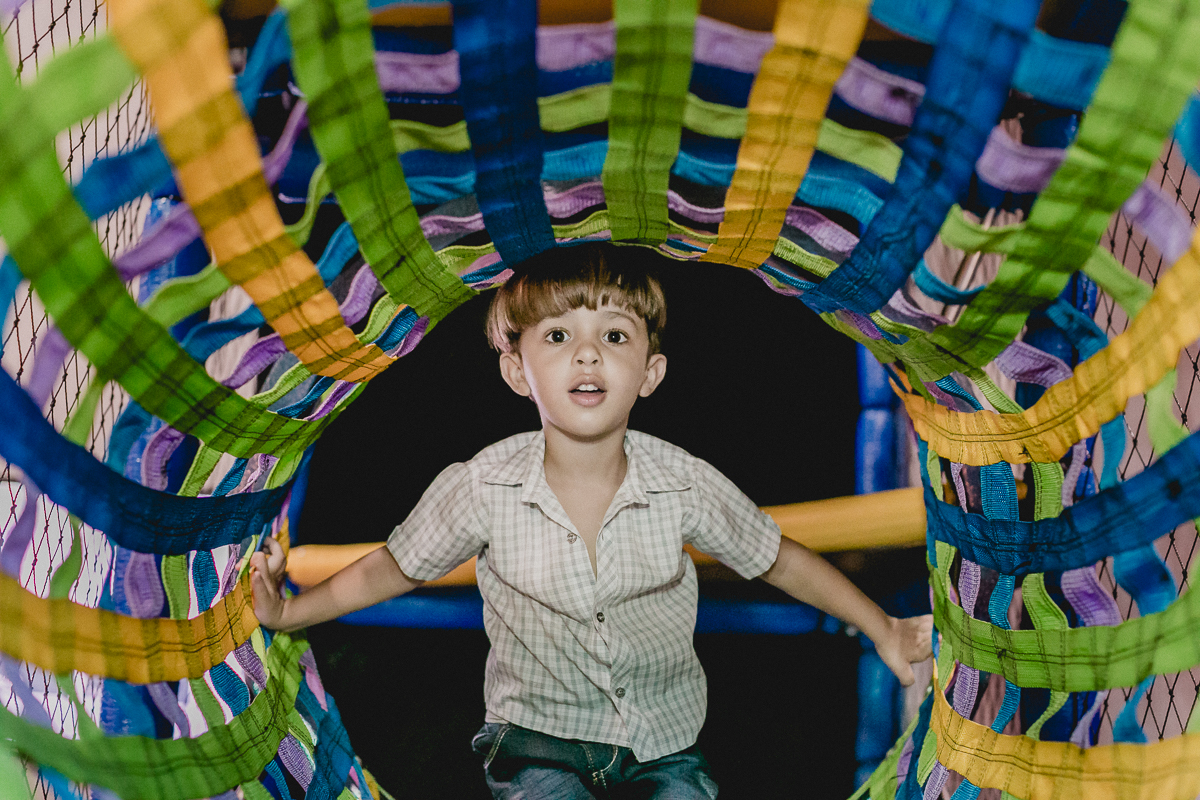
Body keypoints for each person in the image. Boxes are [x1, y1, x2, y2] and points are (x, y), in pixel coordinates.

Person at [252, 242, 933, 799]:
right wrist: (290, 614)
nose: (588, 354)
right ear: (518, 372)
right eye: (558, 335)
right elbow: (389, 571)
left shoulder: (682, 482)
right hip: (535, 745)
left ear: (650, 372)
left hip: (664, 747)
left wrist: (884, 628)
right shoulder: (481, 486)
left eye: (614, 335)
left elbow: (781, 559)